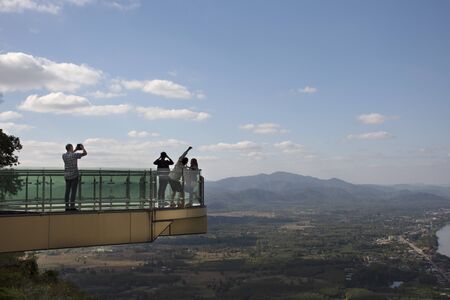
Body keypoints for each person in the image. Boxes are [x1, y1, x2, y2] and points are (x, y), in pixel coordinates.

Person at [62, 143, 87, 211]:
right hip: (74, 176)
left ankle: (67, 207)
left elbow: (70, 154)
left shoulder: (64, 155)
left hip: (67, 176)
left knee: (67, 191)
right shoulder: (74, 155)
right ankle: (72, 206)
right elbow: (85, 153)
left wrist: (76, 149)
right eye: (72, 147)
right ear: (71, 148)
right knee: (73, 192)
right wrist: (82, 148)